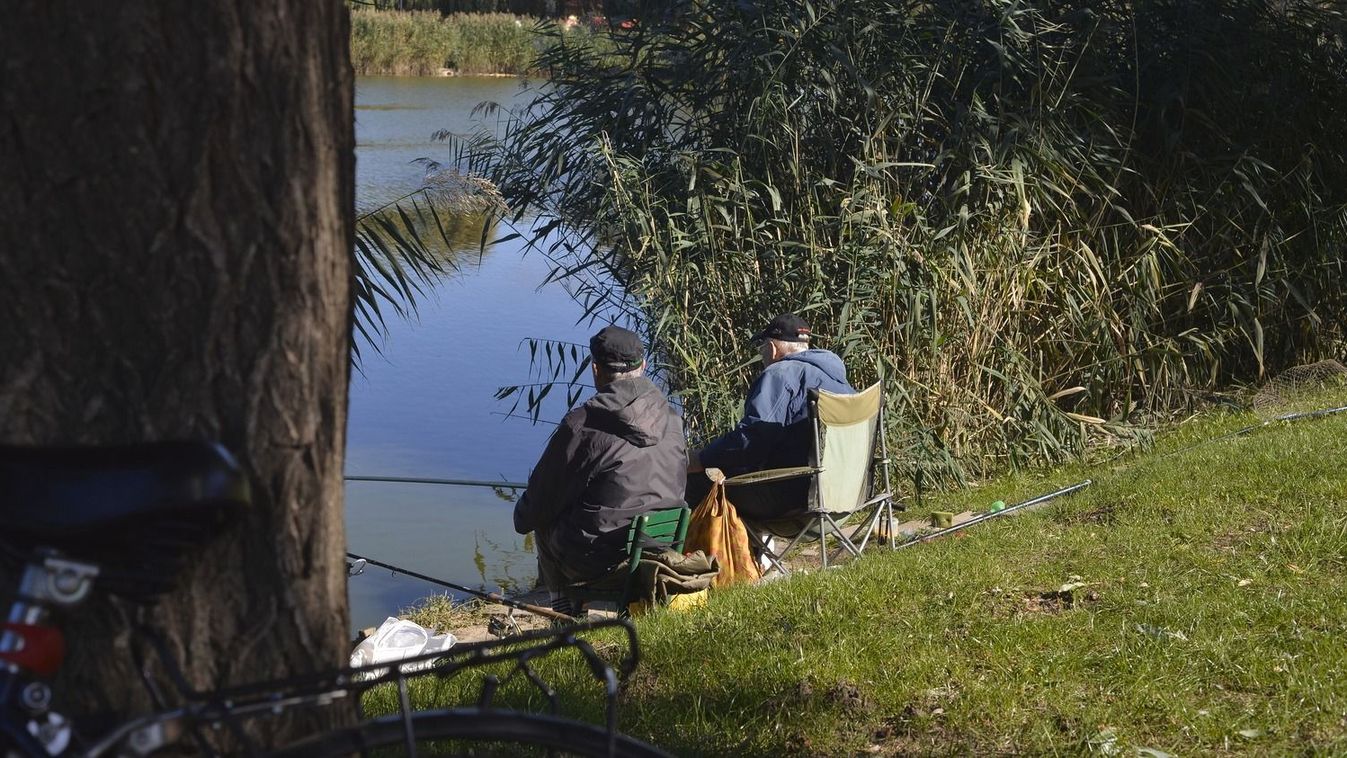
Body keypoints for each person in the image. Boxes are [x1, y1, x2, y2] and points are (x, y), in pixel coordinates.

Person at [513, 325, 686, 615]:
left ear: (595, 369)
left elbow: (539, 503)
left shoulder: (583, 424)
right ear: (643, 366)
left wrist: (521, 515)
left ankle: (563, 611)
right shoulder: (672, 419)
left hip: (602, 558)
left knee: (544, 518)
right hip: (663, 545)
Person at [686, 312, 854, 520]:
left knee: (695, 483)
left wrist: (702, 458)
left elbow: (750, 442)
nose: (762, 354)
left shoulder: (779, 374)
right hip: (844, 495)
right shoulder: (835, 377)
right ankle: (755, 551)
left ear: (773, 348)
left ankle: (677, 551)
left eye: (762, 347)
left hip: (797, 498)